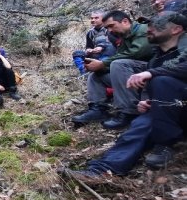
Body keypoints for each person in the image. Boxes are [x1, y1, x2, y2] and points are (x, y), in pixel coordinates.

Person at [61, 12, 186, 181]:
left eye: (156, 26)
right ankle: (101, 171)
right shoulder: (156, 57)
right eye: (149, 25)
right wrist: (144, 100)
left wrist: (150, 73)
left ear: (176, 29)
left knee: (163, 81)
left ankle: (165, 144)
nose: (149, 29)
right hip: (164, 111)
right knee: (137, 128)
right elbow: (150, 87)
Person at [72, 10, 153, 129]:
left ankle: (129, 111)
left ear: (125, 21)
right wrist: (98, 67)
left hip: (152, 71)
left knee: (118, 64)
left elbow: (138, 52)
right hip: (135, 72)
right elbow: (121, 55)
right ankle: (98, 108)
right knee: (96, 76)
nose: (109, 31)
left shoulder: (143, 29)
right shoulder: (125, 36)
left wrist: (103, 63)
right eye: (107, 28)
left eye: (111, 26)